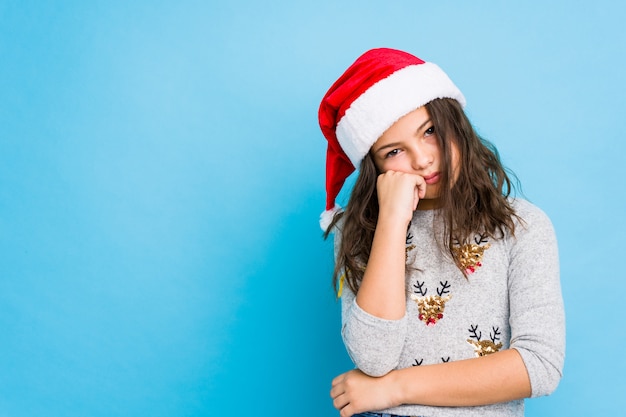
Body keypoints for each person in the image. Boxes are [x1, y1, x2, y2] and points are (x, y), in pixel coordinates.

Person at [317, 48, 565, 417]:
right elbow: (372, 356)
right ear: (374, 165)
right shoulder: (358, 231)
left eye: (429, 131)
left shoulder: (522, 227)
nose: (421, 159)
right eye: (394, 151)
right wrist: (391, 222)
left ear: (455, 123)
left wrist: (393, 388)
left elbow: (539, 365)